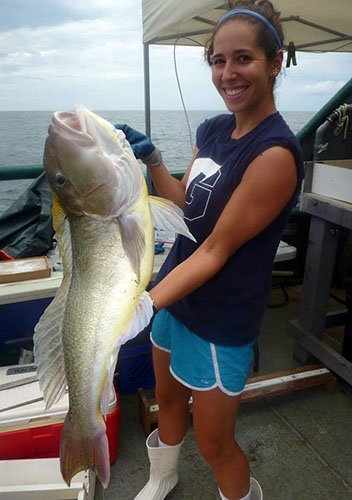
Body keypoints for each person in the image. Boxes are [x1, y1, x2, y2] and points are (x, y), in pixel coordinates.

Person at [116, 1, 304, 499]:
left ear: (275, 61)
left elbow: (217, 249)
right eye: (218, 61)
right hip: (178, 300)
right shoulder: (214, 131)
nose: (228, 73)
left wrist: (146, 300)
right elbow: (185, 209)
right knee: (168, 400)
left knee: (216, 443)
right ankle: (162, 476)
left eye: (242, 58)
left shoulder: (275, 154)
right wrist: (155, 160)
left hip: (221, 321)